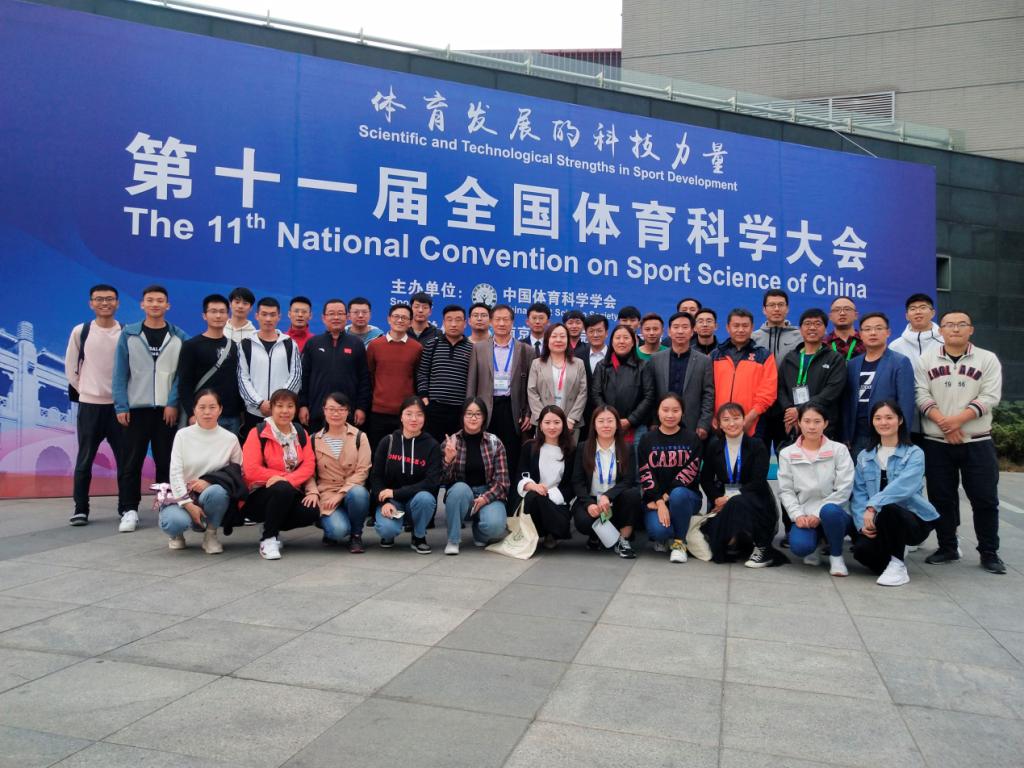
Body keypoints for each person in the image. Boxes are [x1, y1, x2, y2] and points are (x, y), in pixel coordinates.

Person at [916, 310, 1005, 573]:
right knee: (942, 498)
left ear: (971, 329)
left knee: (985, 498)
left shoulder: (987, 359)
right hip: (937, 441)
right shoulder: (926, 359)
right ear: (940, 330)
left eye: (961, 324)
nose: (955, 329)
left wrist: (956, 422)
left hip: (977, 440)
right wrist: (945, 424)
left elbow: (990, 396)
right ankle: (947, 547)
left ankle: (989, 551)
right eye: (949, 324)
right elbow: (921, 394)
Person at [112, 284, 188, 533]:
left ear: (168, 305)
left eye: (160, 300)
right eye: (150, 300)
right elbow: (120, 373)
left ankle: (165, 505)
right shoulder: (129, 334)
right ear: (142, 304)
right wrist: (121, 405)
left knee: (165, 462)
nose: (155, 304)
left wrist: (172, 402)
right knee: (131, 462)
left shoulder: (179, 336)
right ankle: (129, 509)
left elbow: (181, 375)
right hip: (135, 409)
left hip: (166, 411)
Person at [851, 400, 938, 586]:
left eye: (889, 417)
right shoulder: (865, 456)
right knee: (861, 552)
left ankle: (898, 563)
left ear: (900, 420)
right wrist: (861, 524)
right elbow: (859, 493)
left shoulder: (914, 453)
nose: (883, 422)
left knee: (890, 508)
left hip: (913, 520)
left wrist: (873, 506)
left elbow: (905, 485)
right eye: (878, 418)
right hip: (879, 521)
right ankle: (893, 555)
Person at [65, 284, 123, 526]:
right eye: (99, 299)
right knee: (85, 459)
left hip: (119, 407)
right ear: (91, 303)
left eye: (109, 299)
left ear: (117, 303)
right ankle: (81, 509)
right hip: (90, 406)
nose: (104, 303)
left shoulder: (125, 333)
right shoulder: (81, 331)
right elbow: (71, 368)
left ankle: (126, 507)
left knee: (125, 461)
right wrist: (87, 391)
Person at [159, 389, 243, 554]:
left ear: (220, 409)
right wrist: (188, 504)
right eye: (202, 407)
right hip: (182, 494)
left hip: (210, 494)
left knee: (218, 492)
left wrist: (210, 481)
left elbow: (238, 471)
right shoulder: (182, 435)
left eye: (212, 407)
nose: (207, 412)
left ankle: (211, 534)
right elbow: (175, 474)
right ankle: (176, 534)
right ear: (194, 410)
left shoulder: (230, 439)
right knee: (175, 522)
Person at [777, 404, 855, 576]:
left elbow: (844, 488)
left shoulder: (839, 450)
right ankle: (816, 543)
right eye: (807, 421)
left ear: (825, 424)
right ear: (799, 423)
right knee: (800, 547)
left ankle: (836, 556)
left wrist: (818, 514)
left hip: (836, 513)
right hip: (806, 516)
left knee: (829, 512)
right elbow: (786, 491)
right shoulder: (787, 453)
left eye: (817, 421)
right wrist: (798, 515)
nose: (811, 426)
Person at [700, 402, 782, 567]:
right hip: (723, 499)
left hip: (754, 498)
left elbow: (758, 481)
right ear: (719, 424)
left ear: (744, 420)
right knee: (716, 544)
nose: (732, 423)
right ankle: (737, 539)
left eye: (736, 418)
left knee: (738, 502)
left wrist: (730, 498)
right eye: (726, 420)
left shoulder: (757, 445)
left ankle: (762, 548)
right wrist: (716, 498)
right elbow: (706, 479)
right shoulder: (714, 446)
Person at [240, 388, 316, 560]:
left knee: (311, 511)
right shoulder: (257, 433)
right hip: (259, 494)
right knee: (282, 489)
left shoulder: (300, 433)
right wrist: (282, 480)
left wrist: (285, 479)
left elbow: (309, 465)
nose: (284, 411)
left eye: (290, 406)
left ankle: (271, 524)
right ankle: (268, 538)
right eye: (279, 406)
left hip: (289, 489)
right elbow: (251, 470)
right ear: (271, 408)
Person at [466, 304, 534, 478]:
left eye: (506, 319)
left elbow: (531, 386)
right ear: (491, 322)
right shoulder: (479, 348)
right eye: (497, 319)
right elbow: (472, 381)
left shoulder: (526, 350)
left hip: (513, 409)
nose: (502, 323)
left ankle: (508, 491)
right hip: (485, 408)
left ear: (513, 322)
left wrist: (529, 412)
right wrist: (469, 410)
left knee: (511, 454)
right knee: (484, 451)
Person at [302, 392, 372, 553]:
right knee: (338, 531)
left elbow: (363, 471)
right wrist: (313, 492)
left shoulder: (359, 437)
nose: (336, 414)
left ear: (348, 412)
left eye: (341, 409)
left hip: (351, 490)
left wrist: (340, 494)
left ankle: (356, 535)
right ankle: (330, 525)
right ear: (324, 410)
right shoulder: (313, 439)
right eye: (331, 409)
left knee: (359, 493)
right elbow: (308, 472)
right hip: (326, 493)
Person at [637, 393, 703, 562]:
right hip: (654, 500)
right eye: (665, 410)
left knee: (678, 494)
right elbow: (645, 473)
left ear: (682, 412)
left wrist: (665, 498)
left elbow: (689, 473)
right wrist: (659, 502)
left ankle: (680, 543)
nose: (670, 415)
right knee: (660, 531)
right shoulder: (647, 439)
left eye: (675, 410)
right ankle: (679, 528)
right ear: (658, 412)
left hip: (686, 497)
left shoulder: (692, 438)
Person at [371, 396, 442, 553]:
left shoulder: (432, 445)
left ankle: (418, 536)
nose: (414, 419)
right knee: (387, 530)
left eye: (419, 414)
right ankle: (388, 534)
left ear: (424, 418)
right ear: (401, 417)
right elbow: (375, 477)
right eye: (409, 414)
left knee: (426, 499)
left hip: (415, 501)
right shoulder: (388, 441)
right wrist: (385, 502)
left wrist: (396, 492)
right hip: (391, 501)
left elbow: (431, 482)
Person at [440, 398, 510, 555]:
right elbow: (442, 481)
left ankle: (480, 532)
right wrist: (448, 460)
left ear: (484, 417)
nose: (473, 418)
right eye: (469, 414)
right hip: (462, 496)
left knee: (496, 527)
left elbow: (503, 482)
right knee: (459, 489)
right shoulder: (451, 442)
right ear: (462, 416)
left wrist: (485, 498)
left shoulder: (495, 443)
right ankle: (453, 540)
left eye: (478, 414)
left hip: (487, 493)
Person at [841, 312, 915, 458]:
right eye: (867, 329)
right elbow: (846, 402)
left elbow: (906, 403)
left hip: (888, 434)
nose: (873, 333)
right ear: (860, 334)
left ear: (888, 332)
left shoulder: (900, 362)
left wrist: (902, 436)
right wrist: (846, 434)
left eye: (878, 328)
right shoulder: (853, 364)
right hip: (857, 436)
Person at [571, 405, 642, 558]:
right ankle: (596, 536)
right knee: (583, 521)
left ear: (617, 424)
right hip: (592, 501)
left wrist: (608, 496)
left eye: (610, 421)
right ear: (594, 425)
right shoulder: (583, 447)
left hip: (615, 501)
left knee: (633, 494)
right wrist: (589, 504)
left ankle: (623, 540)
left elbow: (628, 480)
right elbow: (577, 481)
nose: (606, 425)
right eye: (601, 421)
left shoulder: (626, 448)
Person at [299, 298, 370, 433]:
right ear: (323, 318)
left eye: (340, 313)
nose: (336, 317)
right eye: (331, 314)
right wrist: (303, 405)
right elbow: (304, 377)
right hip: (317, 412)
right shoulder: (313, 343)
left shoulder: (356, 344)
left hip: (348, 413)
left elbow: (364, 379)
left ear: (347, 317)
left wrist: (361, 407)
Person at [176, 294, 243, 434]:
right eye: (213, 311)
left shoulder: (234, 346)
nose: (218, 316)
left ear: (228, 315)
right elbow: (184, 384)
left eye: (222, 312)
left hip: (231, 417)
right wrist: (192, 413)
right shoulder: (191, 346)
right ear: (204, 316)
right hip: (204, 415)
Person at [778, 308, 847, 440]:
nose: (812, 328)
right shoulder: (790, 358)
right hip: (793, 424)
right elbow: (780, 388)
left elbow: (832, 391)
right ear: (800, 329)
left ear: (825, 329)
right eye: (807, 324)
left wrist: (800, 410)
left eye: (817, 324)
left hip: (822, 424)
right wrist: (790, 412)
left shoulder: (834, 359)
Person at [238, 297, 302, 436]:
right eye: (264, 314)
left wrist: (278, 403)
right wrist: (259, 403)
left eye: (272, 315)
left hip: (283, 412)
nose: (268, 319)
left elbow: (296, 376)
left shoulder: (290, 344)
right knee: (255, 447)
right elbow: (242, 378)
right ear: (257, 316)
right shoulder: (245, 344)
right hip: (255, 412)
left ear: (279, 317)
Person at [709, 309, 777, 437]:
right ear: (728, 328)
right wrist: (712, 415)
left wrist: (751, 416)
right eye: (736, 326)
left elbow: (768, 391)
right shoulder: (715, 355)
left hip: (753, 424)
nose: (740, 330)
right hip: (719, 424)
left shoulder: (764, 356)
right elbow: (707, 389)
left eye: (745, 326)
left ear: (752, 328)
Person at [515, 404, 575, 549]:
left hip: (557, 503)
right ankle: (534, 533)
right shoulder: (529, 447)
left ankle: (551, 533)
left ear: (563, 425)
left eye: (556, 422)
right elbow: (521, 475)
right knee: (533, 497)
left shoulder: (571, 451)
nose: (552, 427)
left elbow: (572, 484)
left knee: (556, 518)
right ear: (540, 425)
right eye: (547, 423)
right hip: (533, 499)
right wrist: (533, 486)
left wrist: (549, 494)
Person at [753, 289, 803, 457]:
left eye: (781, 305)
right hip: (760, 408)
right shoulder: (753, 338)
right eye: (772, 305)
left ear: (787, 308)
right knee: (758, 457)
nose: (776, 309)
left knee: (789, 457)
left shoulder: (800, 337)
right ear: (764, 309)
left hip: (788, 408)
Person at [366, 303, 422, 449]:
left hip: (405, 413)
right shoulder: (375, 345)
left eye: (404, 318)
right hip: (378, 411)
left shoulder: (416, 348)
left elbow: (417, 377)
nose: (400, 320)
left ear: (410, 322)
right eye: (396, 316)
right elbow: (369, 375)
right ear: (389, 319)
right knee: (377, 451)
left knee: (402, 453)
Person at [649, 311, 714, 438]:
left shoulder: (704, 361)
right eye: (676, 327)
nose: (680, 331)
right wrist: (653, 421)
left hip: (692, 425)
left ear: (692, 331)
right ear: (669, 331)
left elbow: (708, 395)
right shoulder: (656, 359)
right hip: (661, 424)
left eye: (685, 327)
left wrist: (704, 424)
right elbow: (651, 393)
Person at [888, 293, 942, 440]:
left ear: (933, 313)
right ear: (907, 316)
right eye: (913, 309)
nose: (918, 312)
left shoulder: (946, 342)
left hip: (941, 416)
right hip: (908, 417)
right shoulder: (895, 346)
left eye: (923, 307)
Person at [416, 304, 474, 442]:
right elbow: (422, 373)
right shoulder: (432, 344)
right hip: (434, 408)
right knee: (431, 446)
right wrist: (424, 398)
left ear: (465, 323)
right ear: (443, 322)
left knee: (456, 447)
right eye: (449, 319)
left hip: (459, 410)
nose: (453, 324)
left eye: (458, 320)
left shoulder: (472, 349)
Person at [591, 324, 654, 444]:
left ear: (633, 342)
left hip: (636, 427)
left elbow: (649, 396)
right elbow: (595, 394)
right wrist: (610, 418)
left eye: (626, 338)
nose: (621, 341)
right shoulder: (602, 366)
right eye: (618, 338)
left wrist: (631, 420)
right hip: (607, 425)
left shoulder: (643, 366)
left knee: (635, 456)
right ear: (612, 342)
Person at [527, 323, 588, 437]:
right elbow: (532, 391)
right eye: (554, 336)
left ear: (568, 340)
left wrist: (571, 419)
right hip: (544, 423)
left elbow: (583, 392)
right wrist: (543, 419)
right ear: (547, 340)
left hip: (570, 423)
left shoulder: (578, 363)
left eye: (562, 336)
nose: (558, 340)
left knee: (568, 449)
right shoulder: (537, 363)